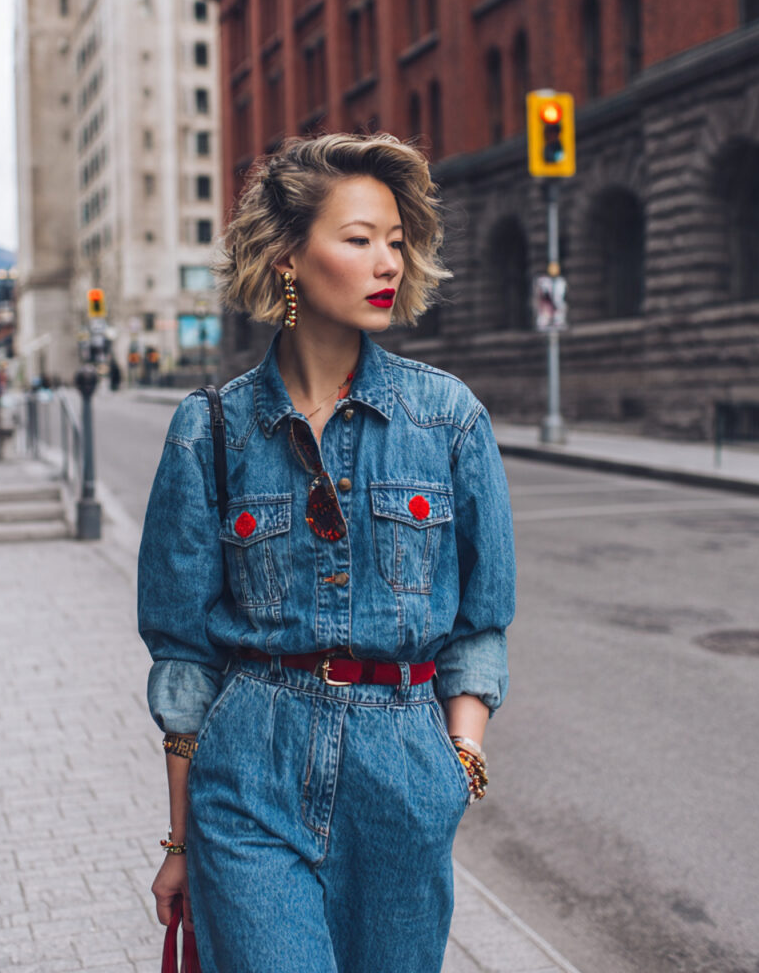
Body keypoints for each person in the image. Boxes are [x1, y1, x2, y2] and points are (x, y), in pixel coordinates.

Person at [137, 133, 515, 973]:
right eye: (358, 239)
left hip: (403, 777)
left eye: (396, 239)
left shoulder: (447, 420)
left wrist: (461, 761)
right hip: (249, 777)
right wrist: (179, 839)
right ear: (287, 260)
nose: (388, 260)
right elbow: (184, 660)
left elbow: (481, 625)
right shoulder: (211, 432)